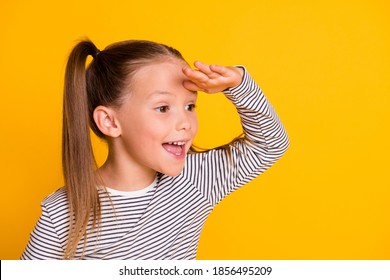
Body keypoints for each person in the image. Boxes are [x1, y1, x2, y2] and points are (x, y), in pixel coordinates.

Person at [21, 39, 289, 260]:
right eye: (163, 108)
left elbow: (270, 144)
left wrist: (239, 85)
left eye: (190, 106)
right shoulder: (63, 213)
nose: (185, 122)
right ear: (110, 121)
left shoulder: (194, 180)